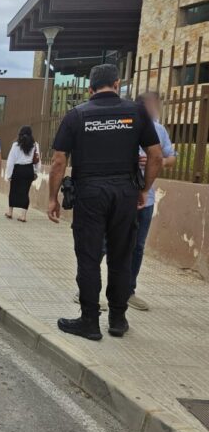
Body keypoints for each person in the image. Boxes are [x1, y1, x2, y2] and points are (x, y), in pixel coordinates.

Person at [47, 64, 162, 341]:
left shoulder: (77, 115)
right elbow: (156, 156)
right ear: (118, 83)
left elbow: (59, 161)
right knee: (122, 255)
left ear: (90, 88)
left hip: (90, 193)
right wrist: (143, 189)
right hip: (125, 191)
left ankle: (89, 321)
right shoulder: (136, 112)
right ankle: (118, 319)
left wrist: (52, 198)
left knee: (88, 257)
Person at [127, 92, 176, 311]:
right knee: (106, 243)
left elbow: (171, 158)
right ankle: (89, 288)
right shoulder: (125, 125)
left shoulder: (159, 129)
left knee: (137, 247)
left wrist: (159, 160)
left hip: (146, 197)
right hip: (122, 194)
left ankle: (129, 291)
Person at [5, 126, 40, 222]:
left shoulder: (16, 145)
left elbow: (11, 161)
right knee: (25, 192)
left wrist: (8, 174)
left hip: (17, 169)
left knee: (13, 190)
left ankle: (10, 212)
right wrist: (36, 172)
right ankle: (23, 216)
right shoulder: (35, 144)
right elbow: (37, 160)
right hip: (28, 170)